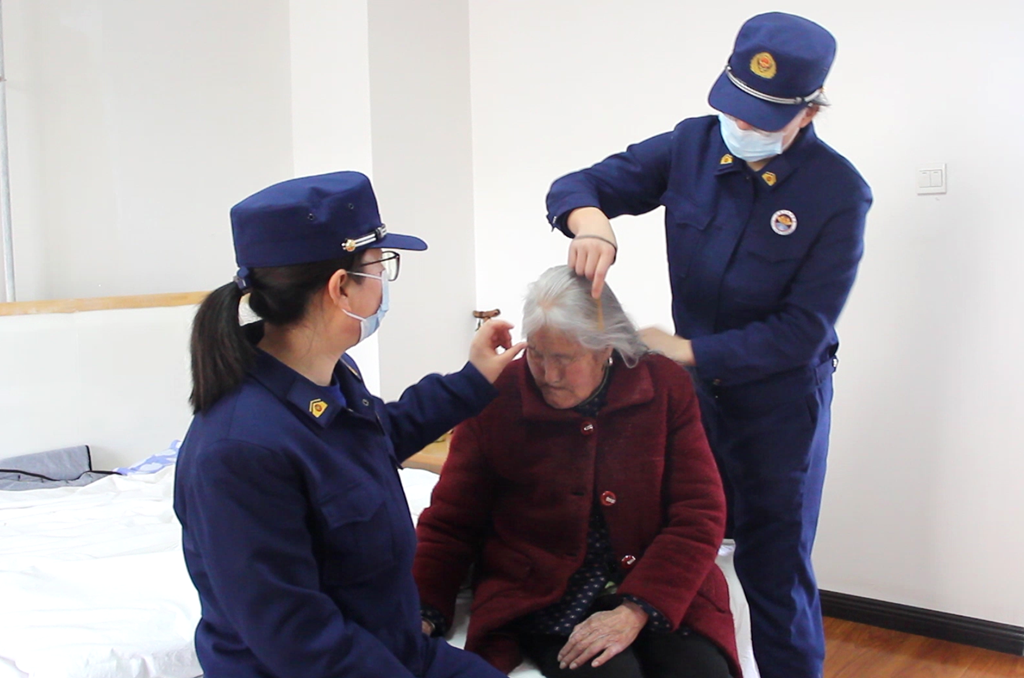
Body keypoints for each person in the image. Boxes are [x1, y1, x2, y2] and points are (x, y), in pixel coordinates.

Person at [544, 13, 872, 678]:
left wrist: (685, 351)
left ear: (808, 112)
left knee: (774, 568)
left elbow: (803, 330)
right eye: (734, 110)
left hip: (779, 407)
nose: (740, 127)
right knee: (680, 540)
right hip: (694, 401)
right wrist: (593, 225)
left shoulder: (838, 193)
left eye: (761, 119)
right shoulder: (692, 145)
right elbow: (578, 185)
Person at [173, 171, 524, 678]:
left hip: (394, 648)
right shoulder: (239, 450)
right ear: (341, 287)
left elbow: (375, 438)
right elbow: (300, 641)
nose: (385, 281)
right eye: (380, 266)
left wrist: (472, 381)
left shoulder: (331, 376)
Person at [414, 266, 740, 678]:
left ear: (606, 349)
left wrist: (636, 609)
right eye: (537, 353)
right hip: (546, 595)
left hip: (658, 583)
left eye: (564, 359)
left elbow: (699, 513)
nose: (548, 375)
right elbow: (451, 523)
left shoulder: (663, 386)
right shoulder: (496, 397)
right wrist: (422, 611)